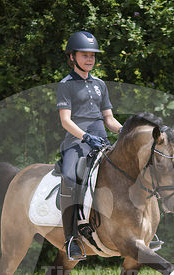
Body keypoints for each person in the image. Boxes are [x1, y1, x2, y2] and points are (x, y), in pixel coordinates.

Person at [57, 31, 122, 260]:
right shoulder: (66, 85)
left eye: (93, 56)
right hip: (76, 142)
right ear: (72, 57)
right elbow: (66, 120)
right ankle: (71, 238)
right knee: (69, 176)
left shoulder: (100, 85)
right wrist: (85, 136)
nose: (90, 59)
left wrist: (124, 132)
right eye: (85, 55)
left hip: (101, 139)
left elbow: (109, 119)